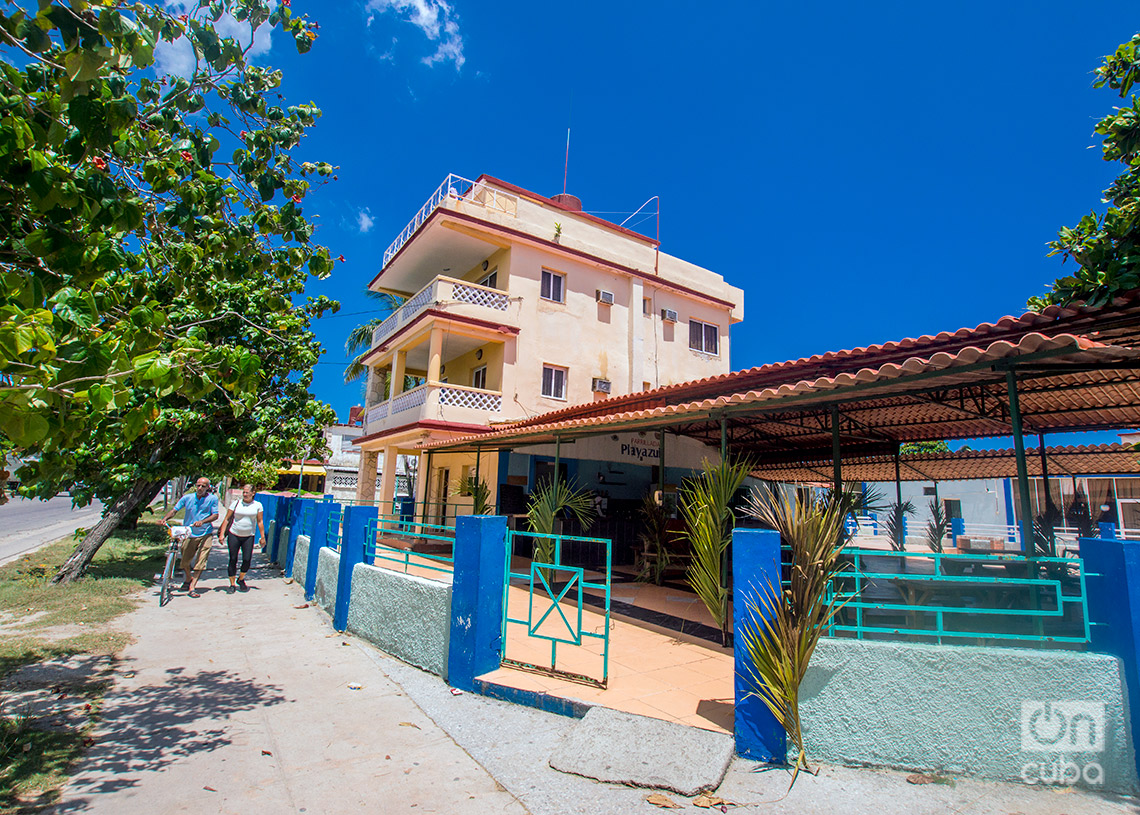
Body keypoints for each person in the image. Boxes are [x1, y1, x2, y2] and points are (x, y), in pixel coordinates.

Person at [161, 477, 219, 598]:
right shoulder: (188, 498)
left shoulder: (212, 499)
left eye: (203, 486)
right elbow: (175, 510)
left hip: (205, 533)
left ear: (208, 487)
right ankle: (188, 578)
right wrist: (165, 519)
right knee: (185, 560)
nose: (200, 488)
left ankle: (192, 586)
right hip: (189, 532)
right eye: (198, 485)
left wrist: (203, 521)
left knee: (201, 561)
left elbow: (215, 515)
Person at [218, 484, 265, 593]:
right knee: (233, 559)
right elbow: (227, 519)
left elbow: (260, 521)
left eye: (247, 492)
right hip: (234, 534)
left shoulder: (258, 505)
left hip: (248, 536)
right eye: (243, 492)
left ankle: (241, 578)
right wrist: (221, 535)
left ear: (253, 493)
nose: (244, 494)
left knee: (247, 560)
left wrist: (262, 537)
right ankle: (232, 584)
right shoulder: (236, 503)